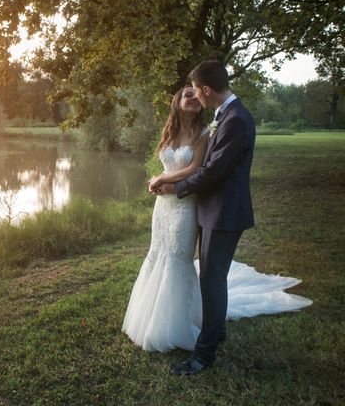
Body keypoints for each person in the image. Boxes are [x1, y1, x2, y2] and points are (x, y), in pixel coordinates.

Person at [121, 60, 312, 375]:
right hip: (212, 210)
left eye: (196, 90)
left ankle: (203, 355)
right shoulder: (228, 116)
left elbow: (211, 172)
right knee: (211, 278)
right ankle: (216, 331)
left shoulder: (236, 120)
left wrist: (175, 188)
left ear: (206, 90)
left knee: (211, 279)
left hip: (224, 213)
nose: (195, 96)